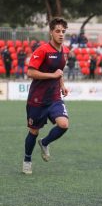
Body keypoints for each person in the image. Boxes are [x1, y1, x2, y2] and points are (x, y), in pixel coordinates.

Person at [22, 17, 70, 175]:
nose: (61, 34)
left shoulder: (65, 51)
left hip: (54, 97)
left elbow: (59, 71)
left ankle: (45, 142)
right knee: (33, 131)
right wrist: (52, 76)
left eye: (63, 31)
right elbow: (30, 72)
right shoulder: (42, 50)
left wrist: (62, 85)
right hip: (37, 99)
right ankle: (27, 160)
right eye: (57, 31)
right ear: (51, 32)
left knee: (64, 124)